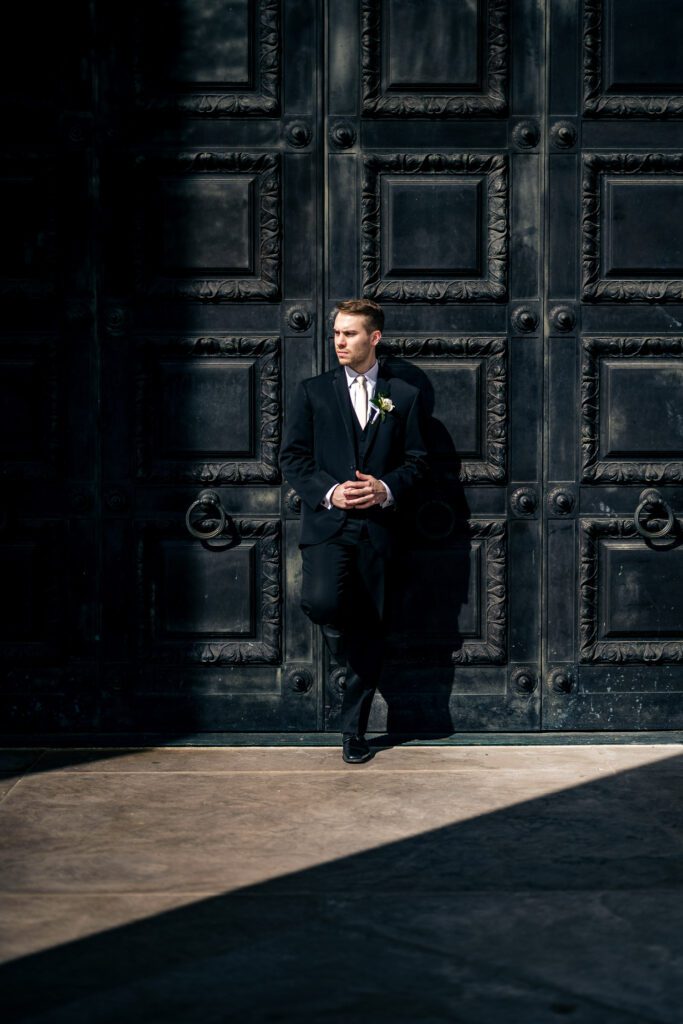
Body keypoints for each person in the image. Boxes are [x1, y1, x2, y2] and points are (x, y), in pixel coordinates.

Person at [280, 299, 427, 763]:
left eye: (350, 334)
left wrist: (384, 488)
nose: (340, 342)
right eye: (337, 333)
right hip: (329, 525)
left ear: (374, 338)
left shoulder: (403, 395)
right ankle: (352, 657)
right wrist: (329, 492)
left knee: (371, 628)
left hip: (380, 530)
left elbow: (419, 462)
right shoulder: (312, 391)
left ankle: (354, 733)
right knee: (322, 602)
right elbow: (293, 458)